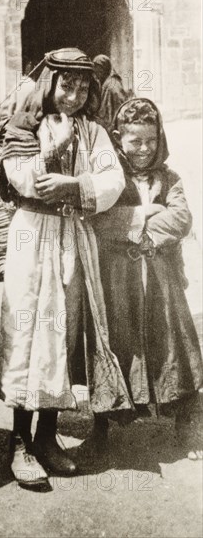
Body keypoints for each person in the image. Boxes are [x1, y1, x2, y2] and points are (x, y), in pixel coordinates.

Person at [0, 47, 134, 490]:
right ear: (49, 85)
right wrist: (48, 163)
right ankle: (18, 441)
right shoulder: (26, 126)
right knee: (27, 330)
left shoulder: (93, 131)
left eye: (80, 87)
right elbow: (21, 177)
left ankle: (46, 436)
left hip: (72, 234)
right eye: (65, 86)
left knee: (62, 331)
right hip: (31, 234)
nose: (72, 96)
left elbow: (113, 179)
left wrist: (75, 185)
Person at [91, 98, 203, 459]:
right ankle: (103, 423)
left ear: (160, 139)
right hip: (119, 279)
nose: (143, 149)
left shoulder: (170, 178)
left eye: (150, 141)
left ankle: (184, 420)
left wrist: (139, 224)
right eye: (134, 141)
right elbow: (100, 222)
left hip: (160, 277)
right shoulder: (111, 180)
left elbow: (182, 219)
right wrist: (145, 212)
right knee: (117, 341)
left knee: (172, 341)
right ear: (118, 140)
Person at [93, 54, 129, 133]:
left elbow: (121, 107)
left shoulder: (113, 85)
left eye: (100, 71)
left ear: (105, 69)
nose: (97, 75)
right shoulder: (105, 83)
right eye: (96, 71)